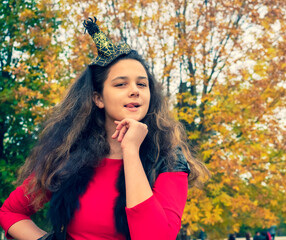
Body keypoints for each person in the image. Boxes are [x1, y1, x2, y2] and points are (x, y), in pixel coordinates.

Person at [0, 17, 207, 240]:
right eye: (121, 84)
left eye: (142, 84)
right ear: (98, 98)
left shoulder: (168, 159)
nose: (135, 90)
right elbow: (11, 211)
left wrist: (131, 150)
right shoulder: (69, 155)